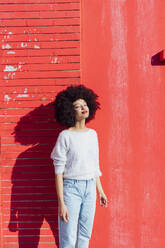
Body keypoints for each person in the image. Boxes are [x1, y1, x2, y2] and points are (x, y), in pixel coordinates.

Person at [50, 84, 108, 248]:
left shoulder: (92, 135)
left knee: (84, 236)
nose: (83, 108)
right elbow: (58, 173)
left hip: (90, 187)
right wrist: (62, 203)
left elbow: (94, 165)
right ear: (70, 111)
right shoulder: (65, 136)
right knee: (68, 237)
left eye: (85, 104)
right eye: (78, 106)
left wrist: (100, 191)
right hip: (71, 189)